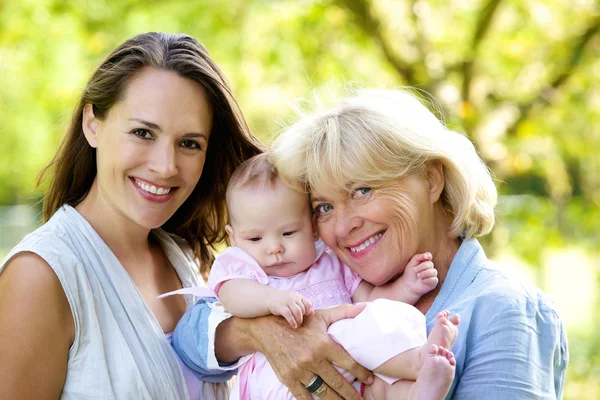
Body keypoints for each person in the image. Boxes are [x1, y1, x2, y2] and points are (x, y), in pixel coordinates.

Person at [173, 88, 569, 400]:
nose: (342, 226)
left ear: (431, 179)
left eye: (362, 190)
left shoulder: (502, 311)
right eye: (324, 206)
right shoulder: (327, 269)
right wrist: (258, 333)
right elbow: (188, 338)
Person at [0, 32, 265, 399]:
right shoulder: (41, 277)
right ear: (93, 123)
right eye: (143, 132)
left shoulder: (189, 259)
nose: (165, 166)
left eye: (189, 143)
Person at [174, 152, 460, 400]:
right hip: (281, 380)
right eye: (255, 237)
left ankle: (420, 383)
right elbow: (232, 296)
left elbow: (369, 303)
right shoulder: (244, 265)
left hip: (354, 376)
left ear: (312, 228)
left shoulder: (332, 262)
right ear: (233, 237)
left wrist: (407, 287)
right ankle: (415, 363)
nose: (274, 248)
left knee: (377, 370)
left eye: (288, 233)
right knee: (345, 332)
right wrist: (271, 300)